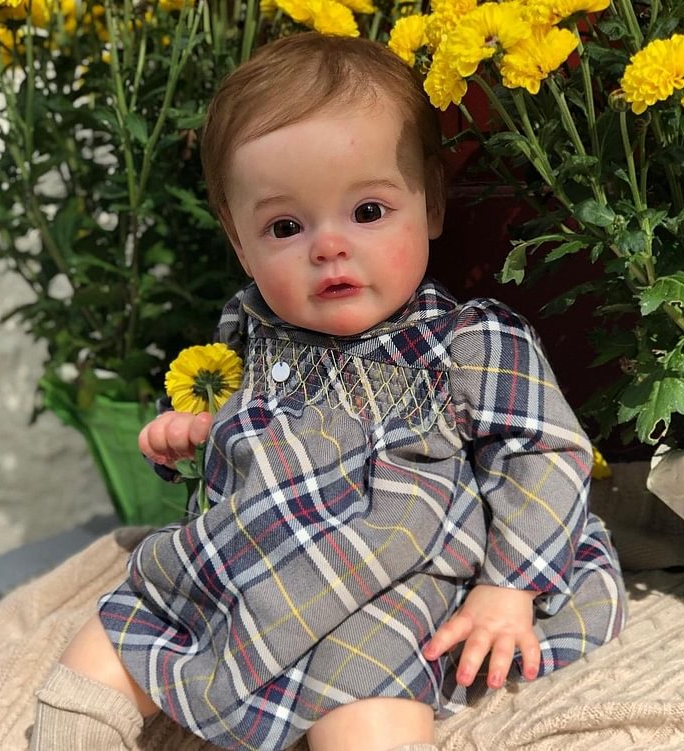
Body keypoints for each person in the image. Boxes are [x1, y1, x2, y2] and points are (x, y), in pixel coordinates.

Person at [31, 32, 626, 751]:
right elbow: (232, 420)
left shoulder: (469, 342)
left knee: (367, 707)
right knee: (118, 634)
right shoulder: (251, 326)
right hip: (244, 555)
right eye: (285, 226)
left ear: (431, 205)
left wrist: (509, 587)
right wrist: (189, 431)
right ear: (240, 242)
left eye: (368, 211)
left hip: (393, 578)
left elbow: (547, 453)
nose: (328, 246)